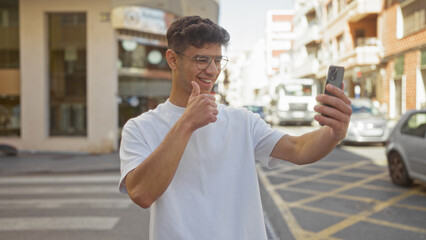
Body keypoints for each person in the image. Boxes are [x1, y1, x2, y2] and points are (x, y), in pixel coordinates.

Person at [119, 16, 352, 240]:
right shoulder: (140, 128)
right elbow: (142, 193)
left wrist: (333, 134)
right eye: (202, 60)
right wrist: (187, 123)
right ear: (172, 59)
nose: (212, 70)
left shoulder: (241, 120)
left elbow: (298, 148)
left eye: (218, 60)